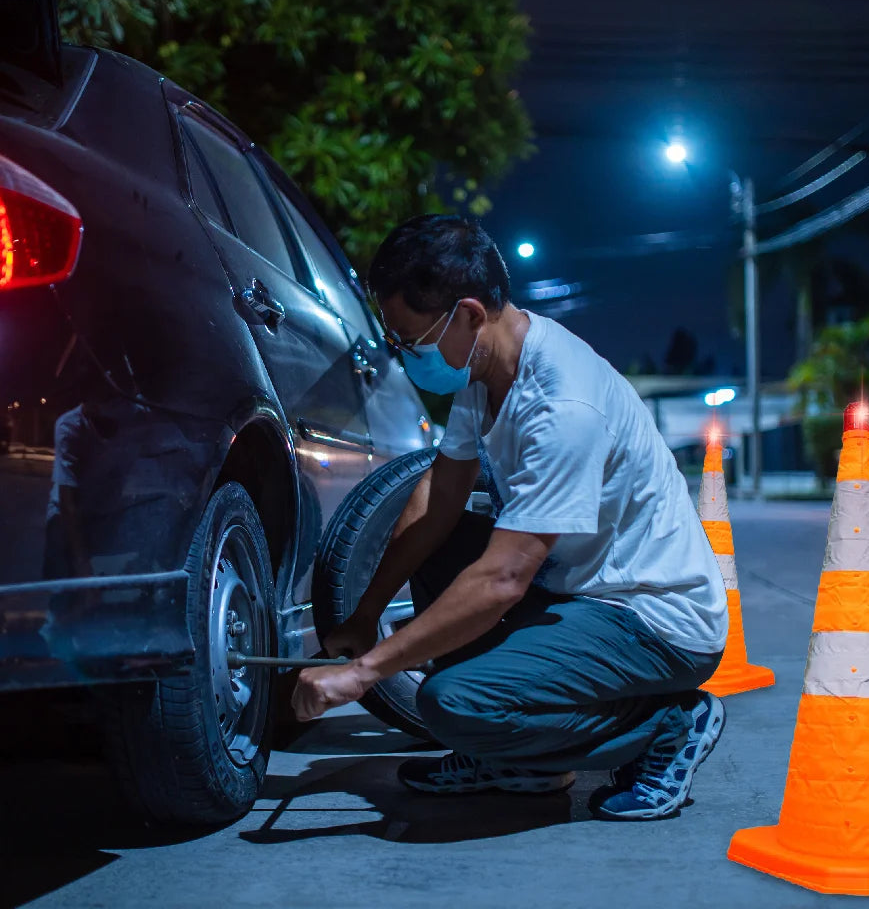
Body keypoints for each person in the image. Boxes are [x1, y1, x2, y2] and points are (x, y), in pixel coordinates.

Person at [291, 214, 729, 820]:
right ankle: (519, 761)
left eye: (410, 341)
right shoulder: (486, 371)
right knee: (440, 546)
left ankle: (666, 724)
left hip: (652, 616)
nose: (403, 356)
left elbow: (503, 580)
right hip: (576, 592)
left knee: (453, 706)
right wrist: (367, 616)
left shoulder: (562, 405)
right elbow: (437, 498)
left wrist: (364, 673)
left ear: (469, 314)